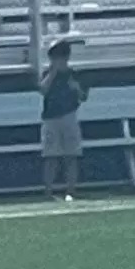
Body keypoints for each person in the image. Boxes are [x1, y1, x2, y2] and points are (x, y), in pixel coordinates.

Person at [40, 39, 89, 200]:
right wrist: (53, 73)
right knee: (50, 157)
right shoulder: (47, 74)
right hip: (51, 119)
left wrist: (76, 88)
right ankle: (48, 191)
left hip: (70, 116)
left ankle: (71, 190)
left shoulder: (74, 74)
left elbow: (83, 97)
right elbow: (43, 90)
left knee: (71, 155)